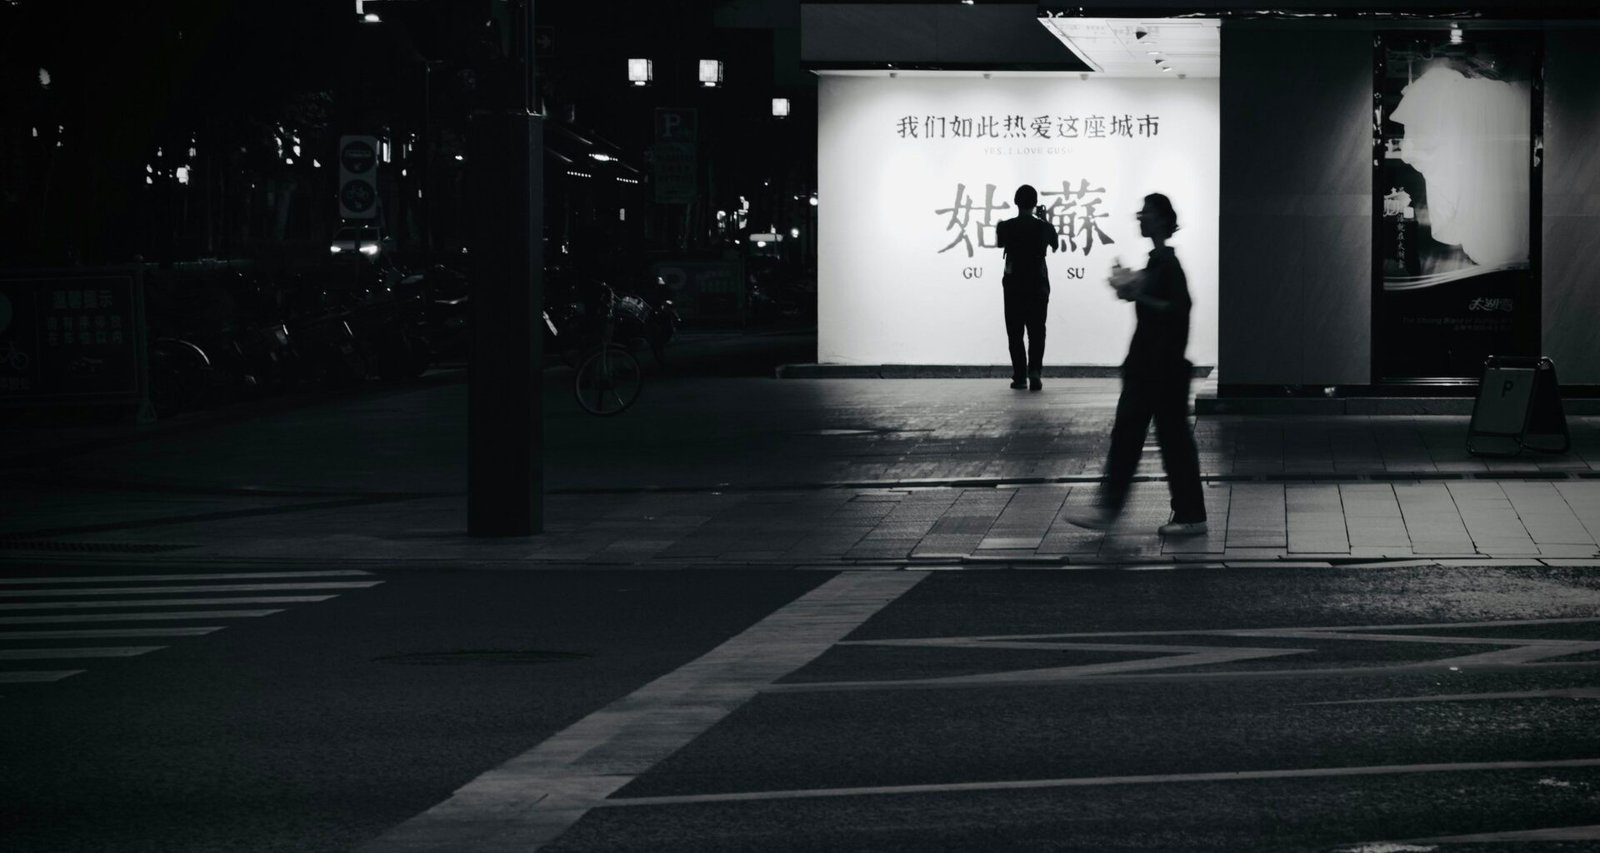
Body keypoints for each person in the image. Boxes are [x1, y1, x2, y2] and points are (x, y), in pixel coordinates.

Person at [1064, 193, 1207, 536]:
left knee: (1154, 438)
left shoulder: (1167, 264)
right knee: (1146, 437)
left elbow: (1177, 309)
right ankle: (1177, 513)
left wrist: (1136, 293)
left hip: (1158, 367)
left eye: (1146, 212)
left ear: (1161, 219)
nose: (1140, 217)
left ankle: (1179, 515)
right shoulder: (1158, 262)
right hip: (1151, 365)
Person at [994, 184, 1059, 390]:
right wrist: (1044, 220)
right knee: (1037, 331)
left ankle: (1020, 376)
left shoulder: (1005, 226)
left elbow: (1000, 244)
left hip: (1014, 285)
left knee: (1015, 332)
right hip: (1038, 284)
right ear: (1035, 203)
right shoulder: (1045, 227)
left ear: (1016, 202)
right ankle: (1035, 372)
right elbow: (1055, 244)